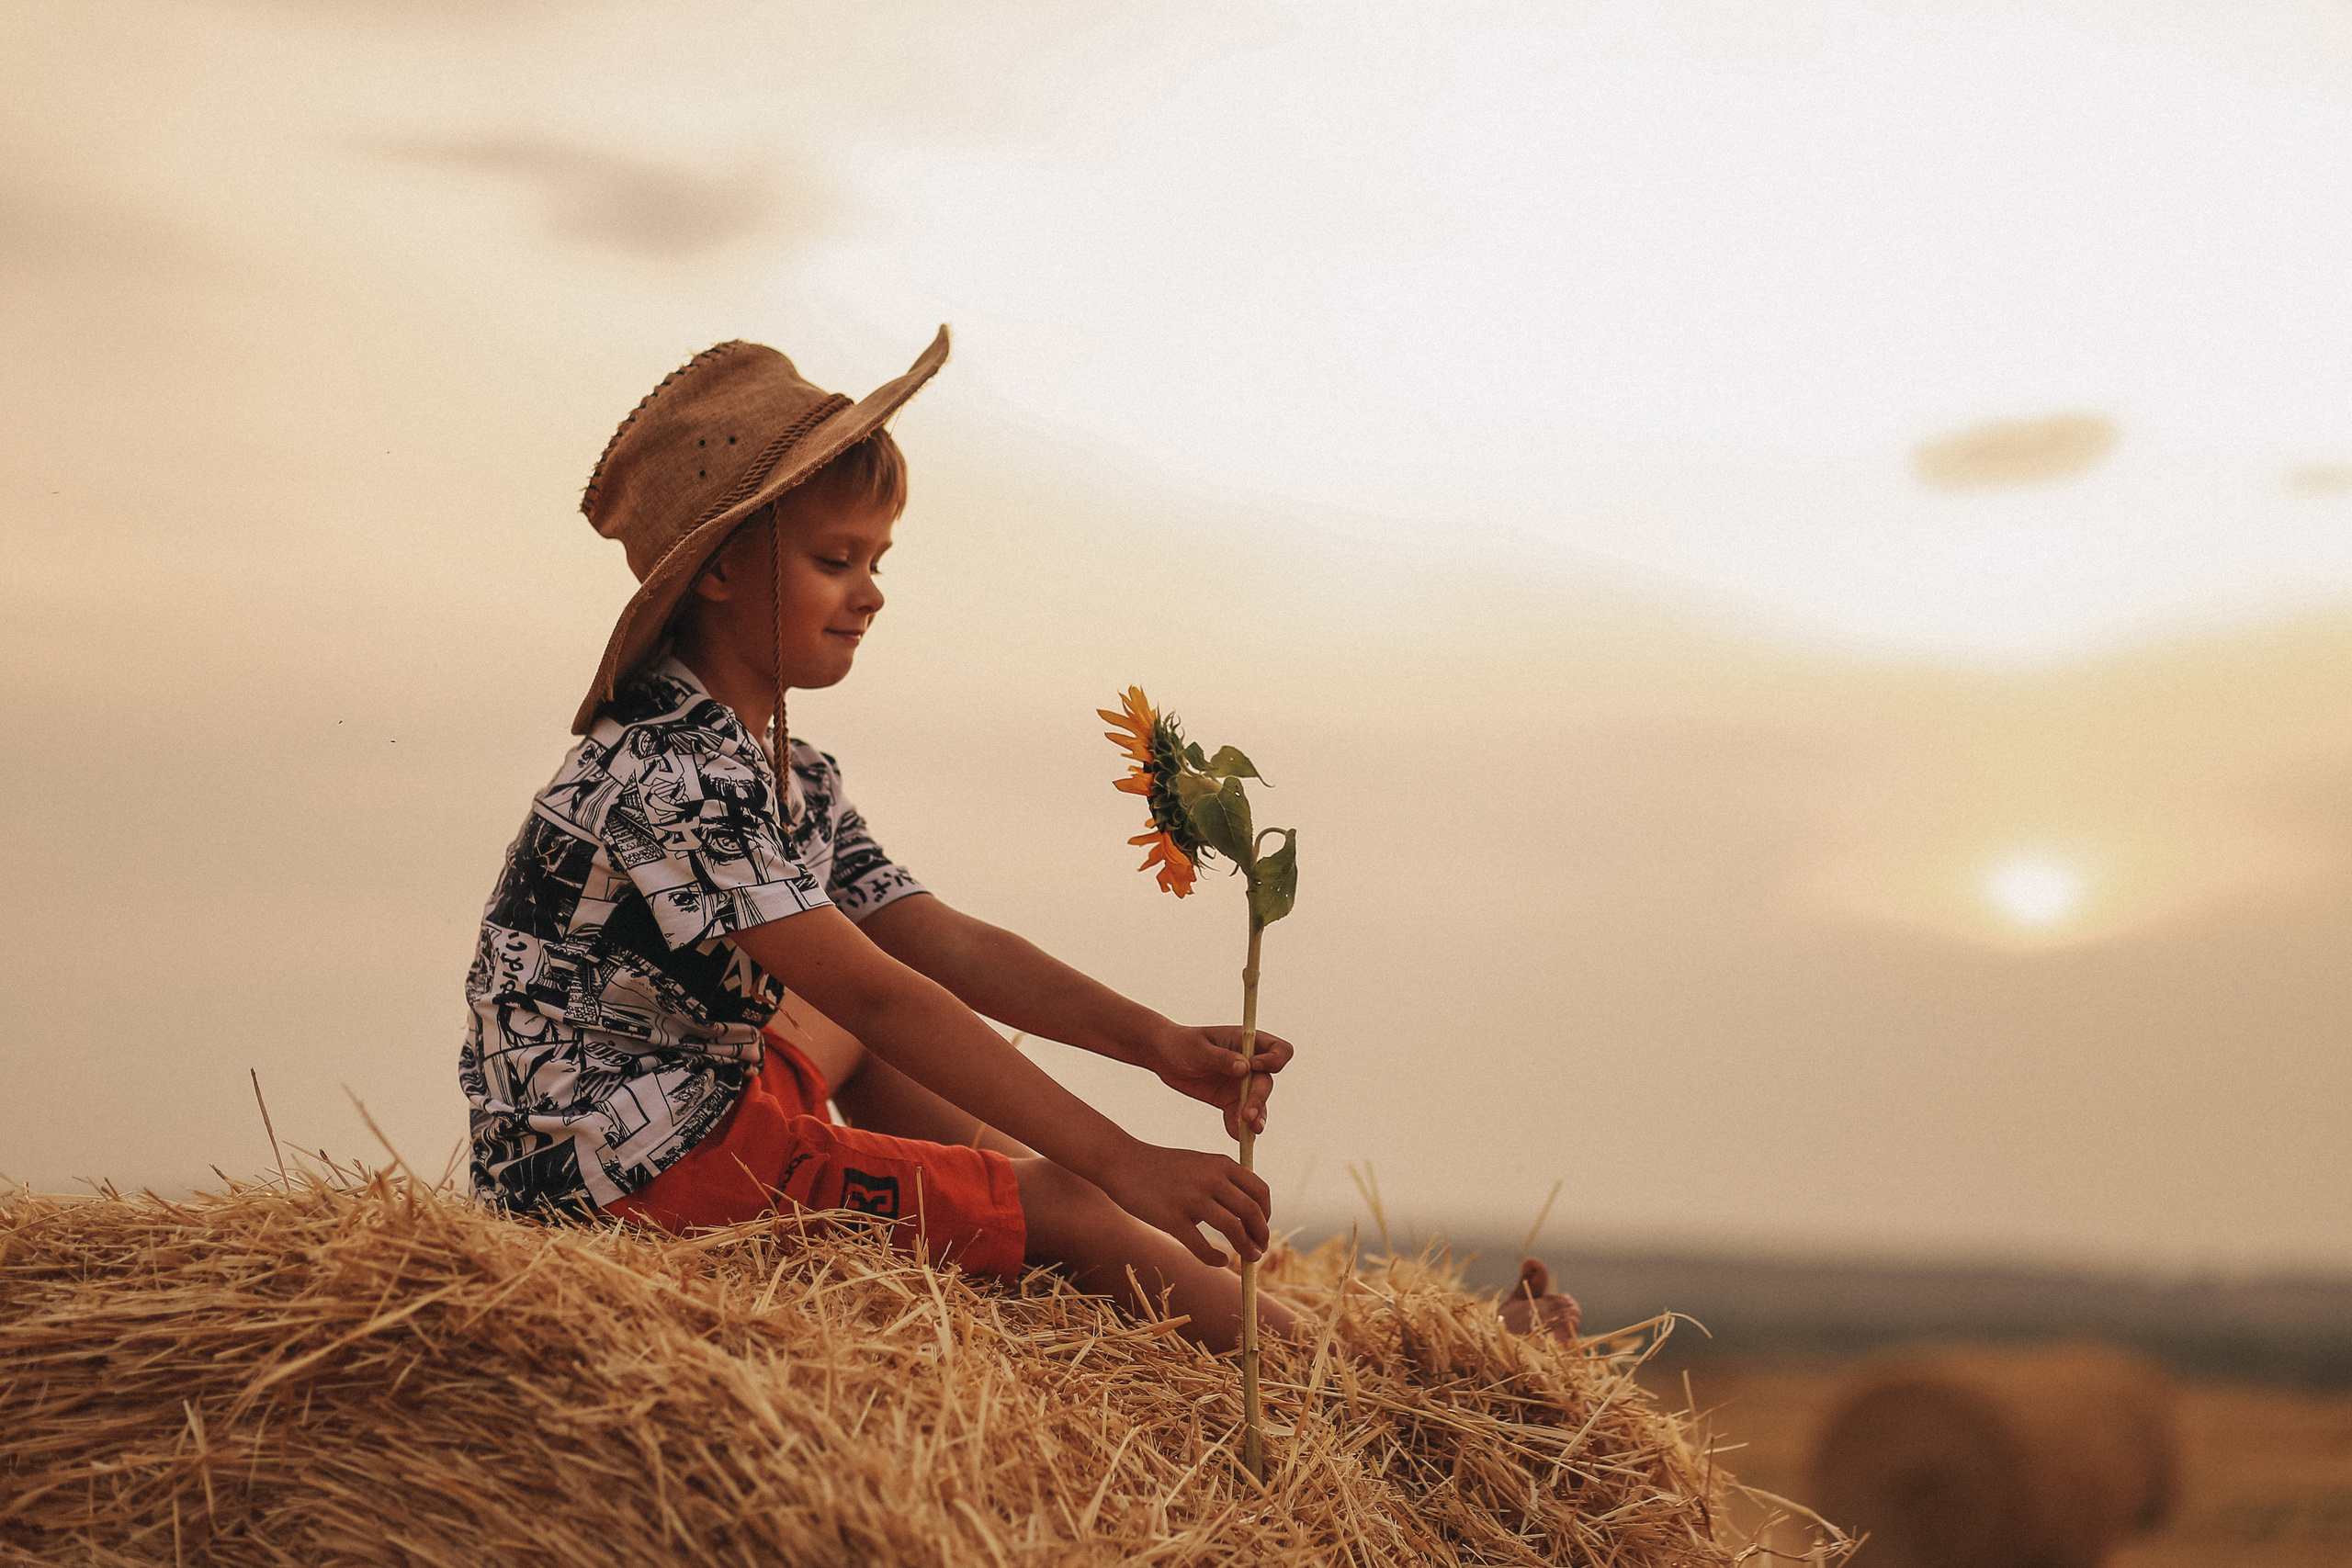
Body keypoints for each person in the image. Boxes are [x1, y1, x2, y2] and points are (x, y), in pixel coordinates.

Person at [459, 330, 1299, 1350]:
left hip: (687, 1103)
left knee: (855, 1027)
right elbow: (883, 995)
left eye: (876, 559)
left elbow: (937, 940)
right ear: (718, 570)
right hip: (631, 1180)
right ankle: (1330, 1377)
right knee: (1070, 1200)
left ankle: (1017, 1208)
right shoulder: (675, 770)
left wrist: (1153, 1041)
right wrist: (1122, 1162)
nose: (872, 591)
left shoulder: (785, 770)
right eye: (835, 560)